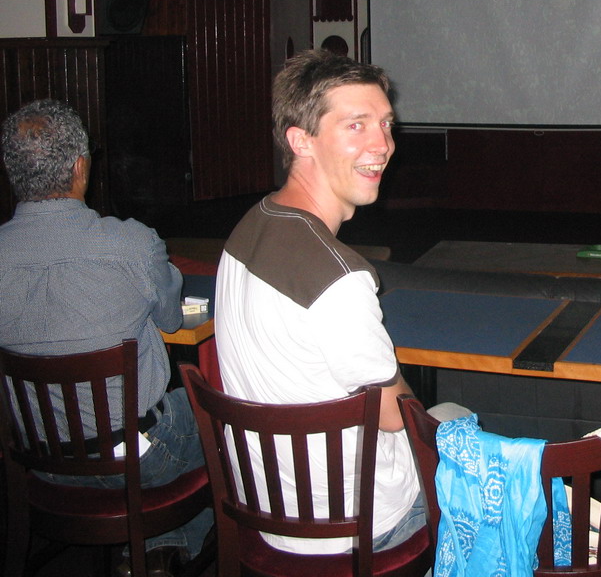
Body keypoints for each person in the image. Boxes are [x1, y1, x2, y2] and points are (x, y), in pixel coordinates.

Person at [215, 49, 465, 555]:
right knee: (461, 421)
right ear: (300, 140)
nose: (383, 145)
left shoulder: (247, 228)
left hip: (265, 509)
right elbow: (397, 416)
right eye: (357, 125)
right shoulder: (341, 278)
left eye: (386, 124)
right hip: (355, 524)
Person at [0, 99, 212, 577]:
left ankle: (157, 546)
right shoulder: (130, 243)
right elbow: (173, 321)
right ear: (80, 167)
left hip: (39, 460)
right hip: (138, 455)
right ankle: (169, 544)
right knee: (219, 414)